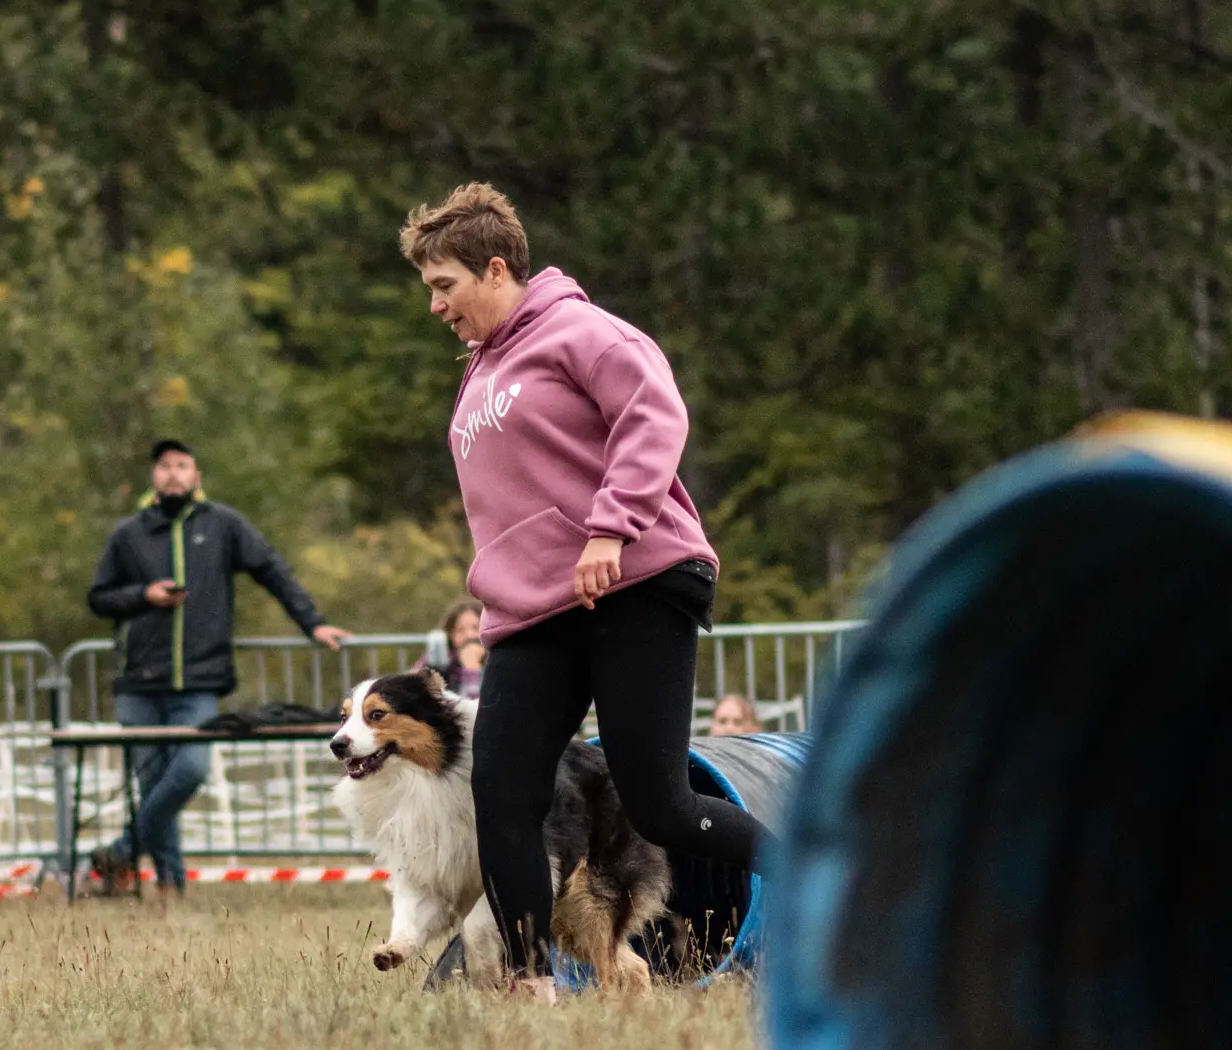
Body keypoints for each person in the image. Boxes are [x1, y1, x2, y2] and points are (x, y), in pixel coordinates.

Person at [400, 182, 766, 983]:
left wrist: (610, 525)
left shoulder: (581, 330)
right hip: (534, 611)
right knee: (501, 793)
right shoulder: (480, 369)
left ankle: (824, 869)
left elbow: (655, 412)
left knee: (658, 802)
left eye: (444, 286)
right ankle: (531, 985)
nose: (435, 306)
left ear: (496, 269)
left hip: (633, 580)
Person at [85, 440, 351, 898]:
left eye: (182, 466)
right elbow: (98, 597)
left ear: (197, 475)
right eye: (164, 466)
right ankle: (171, 889)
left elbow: (272, 569)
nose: (173, 474)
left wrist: (314, 623)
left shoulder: (223, 525)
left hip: (199, 681)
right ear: (154, 476)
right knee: (153, 788)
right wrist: (143, 596)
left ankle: (120, 852)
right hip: (139, 682)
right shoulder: (128, 534)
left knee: (188, 771)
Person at [420, 597, 487, 698]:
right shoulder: (439, 663)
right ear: (450, 635)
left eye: (476, 628)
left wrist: (473, 668)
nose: (469, 635)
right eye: (460, 630)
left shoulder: (497, 662)